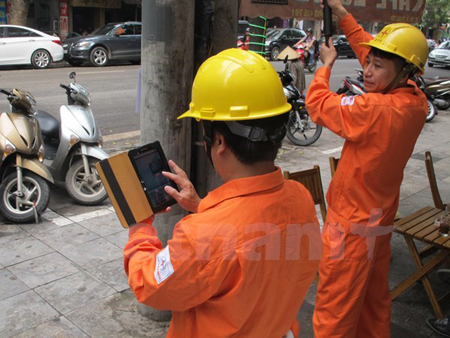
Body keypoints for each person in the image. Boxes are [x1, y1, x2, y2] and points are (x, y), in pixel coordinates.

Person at [123, 49, 321, 338]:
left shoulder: (201, 237)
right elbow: (247, 241)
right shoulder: (300, 198)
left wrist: (140, 228)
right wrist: (202, 206)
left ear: (218, 141)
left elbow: (148, 284)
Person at [305, 0, 429, 337]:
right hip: (379, 223)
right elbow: (378, 56)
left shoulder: (374, 109)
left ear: (404, 71)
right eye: (368, 63)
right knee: (373, 308)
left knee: (334, 315)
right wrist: (342, 14)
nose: (368, 71)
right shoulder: (415, 100)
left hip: (349, 231)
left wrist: (326, 66)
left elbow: (316, 104)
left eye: (377, 66)